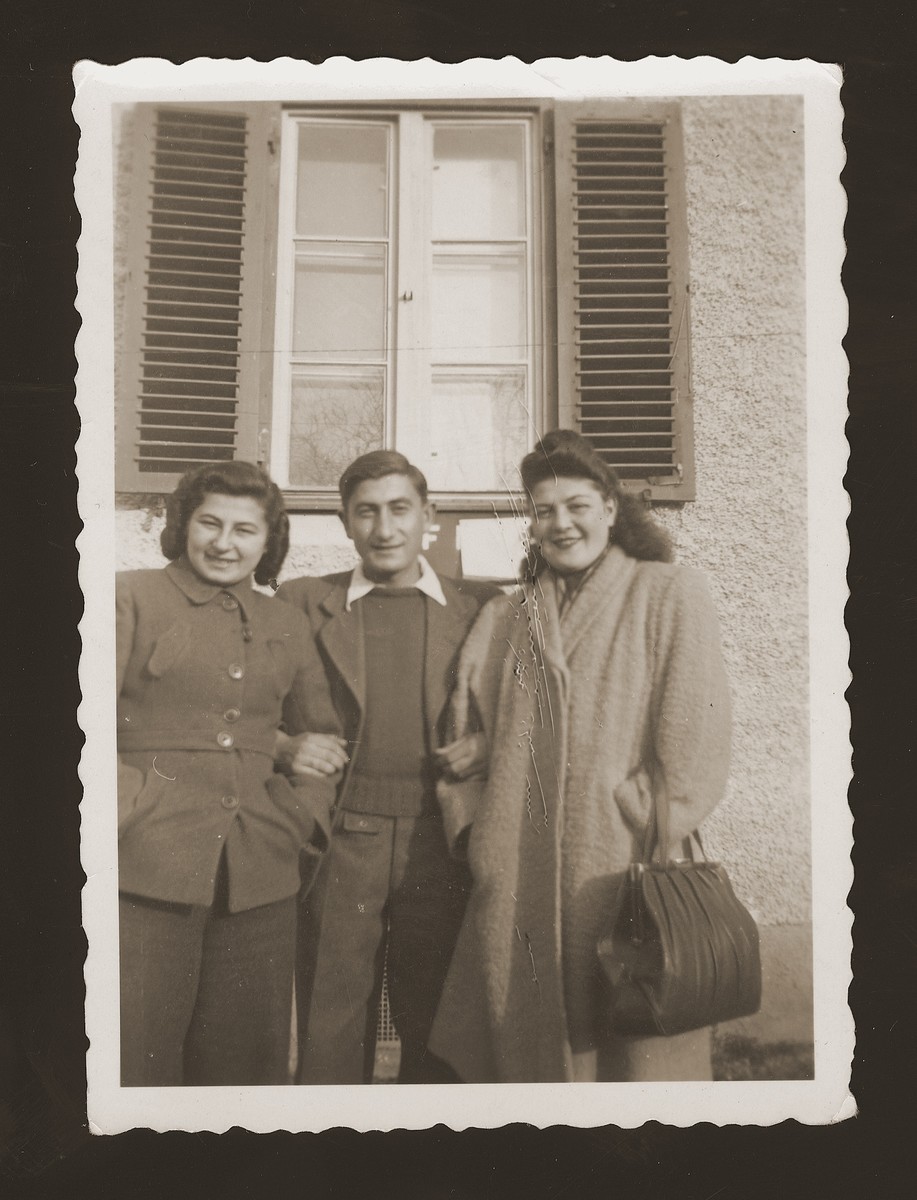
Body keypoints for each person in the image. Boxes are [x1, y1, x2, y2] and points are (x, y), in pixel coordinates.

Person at [427, 429, 733, 1083]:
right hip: (519, 877)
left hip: (619, 861)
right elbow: (461, 740)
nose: (561, 524)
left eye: (576, 505)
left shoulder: (667, 593)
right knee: (529, 1065)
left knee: (631, 1058)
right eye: (544, 510)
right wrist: (482, 834)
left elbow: (696, 732)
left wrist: (646, 816)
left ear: (610, 509)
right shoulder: (509, 615)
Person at [275, 450, 501, 1084]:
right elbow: (238, 701)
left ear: (427, 516)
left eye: (400, 509)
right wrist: (285, 747)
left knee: (436, 1027)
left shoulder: (484, 607)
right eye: (366, 512)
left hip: (441, 841)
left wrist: (491, 742)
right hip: (342, 840)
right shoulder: (300, 603)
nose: (384, 528)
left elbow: (537, 712)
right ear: (345, 522)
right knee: (330, 1023)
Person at [116, 461, 341, 1086]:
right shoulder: (127, 595)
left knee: (244, 1074)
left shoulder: (285, 623)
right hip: (141, 872)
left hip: (260, 879)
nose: (224, 542)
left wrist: (297, 819)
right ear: (183, 525)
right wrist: (125, 816)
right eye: (209, 523)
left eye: (245, 530)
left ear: (269, 542)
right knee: (136, 1061)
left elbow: (323, 738)